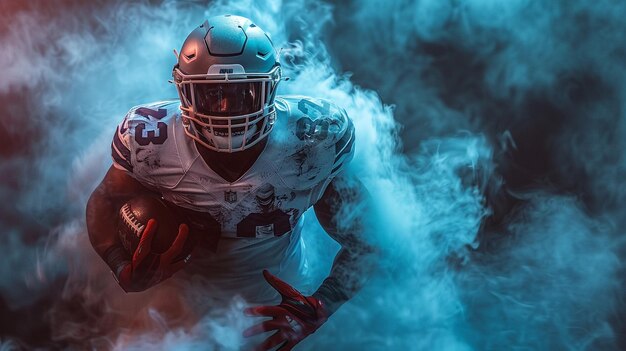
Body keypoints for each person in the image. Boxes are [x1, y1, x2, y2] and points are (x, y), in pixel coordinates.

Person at [86, 14, 373, 350]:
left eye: (243, 94)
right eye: (212, 95)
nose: (226, 110)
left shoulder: (311, 141)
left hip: (281, 311)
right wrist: (120, 265)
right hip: (179, 313)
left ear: (272, 87)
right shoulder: (152, 140)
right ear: (183, 92)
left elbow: (366, 243)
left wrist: (321, 304)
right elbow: (105, 201)